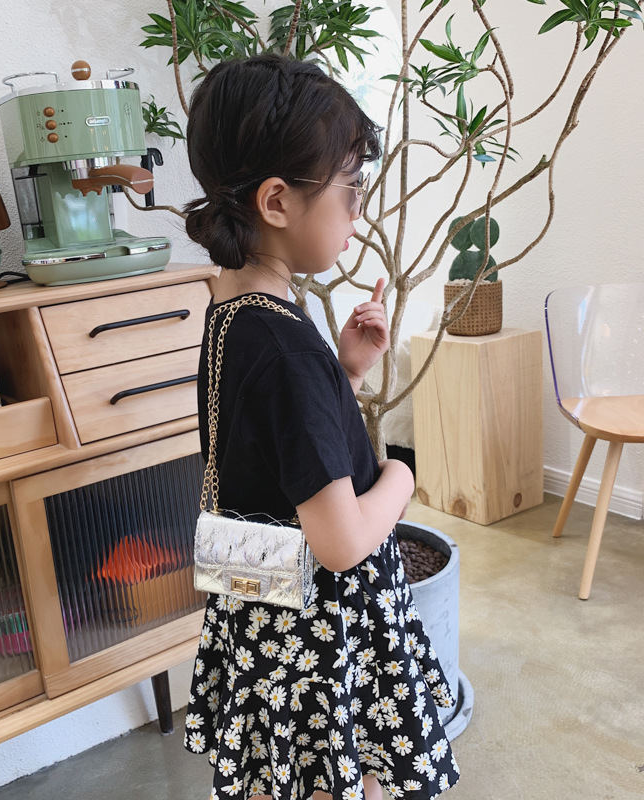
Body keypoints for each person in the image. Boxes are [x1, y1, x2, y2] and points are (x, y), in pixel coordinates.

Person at [181, 53, 460, 800]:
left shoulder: (236, 309)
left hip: (268, 608)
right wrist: (400, 475)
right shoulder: (284, 344)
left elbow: (276, 442)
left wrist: (346, 373)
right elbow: (340, 542)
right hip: (322, 627)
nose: (358, 211)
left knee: (289, 764)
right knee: (337, 769)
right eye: (351, 189)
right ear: (276, 201)